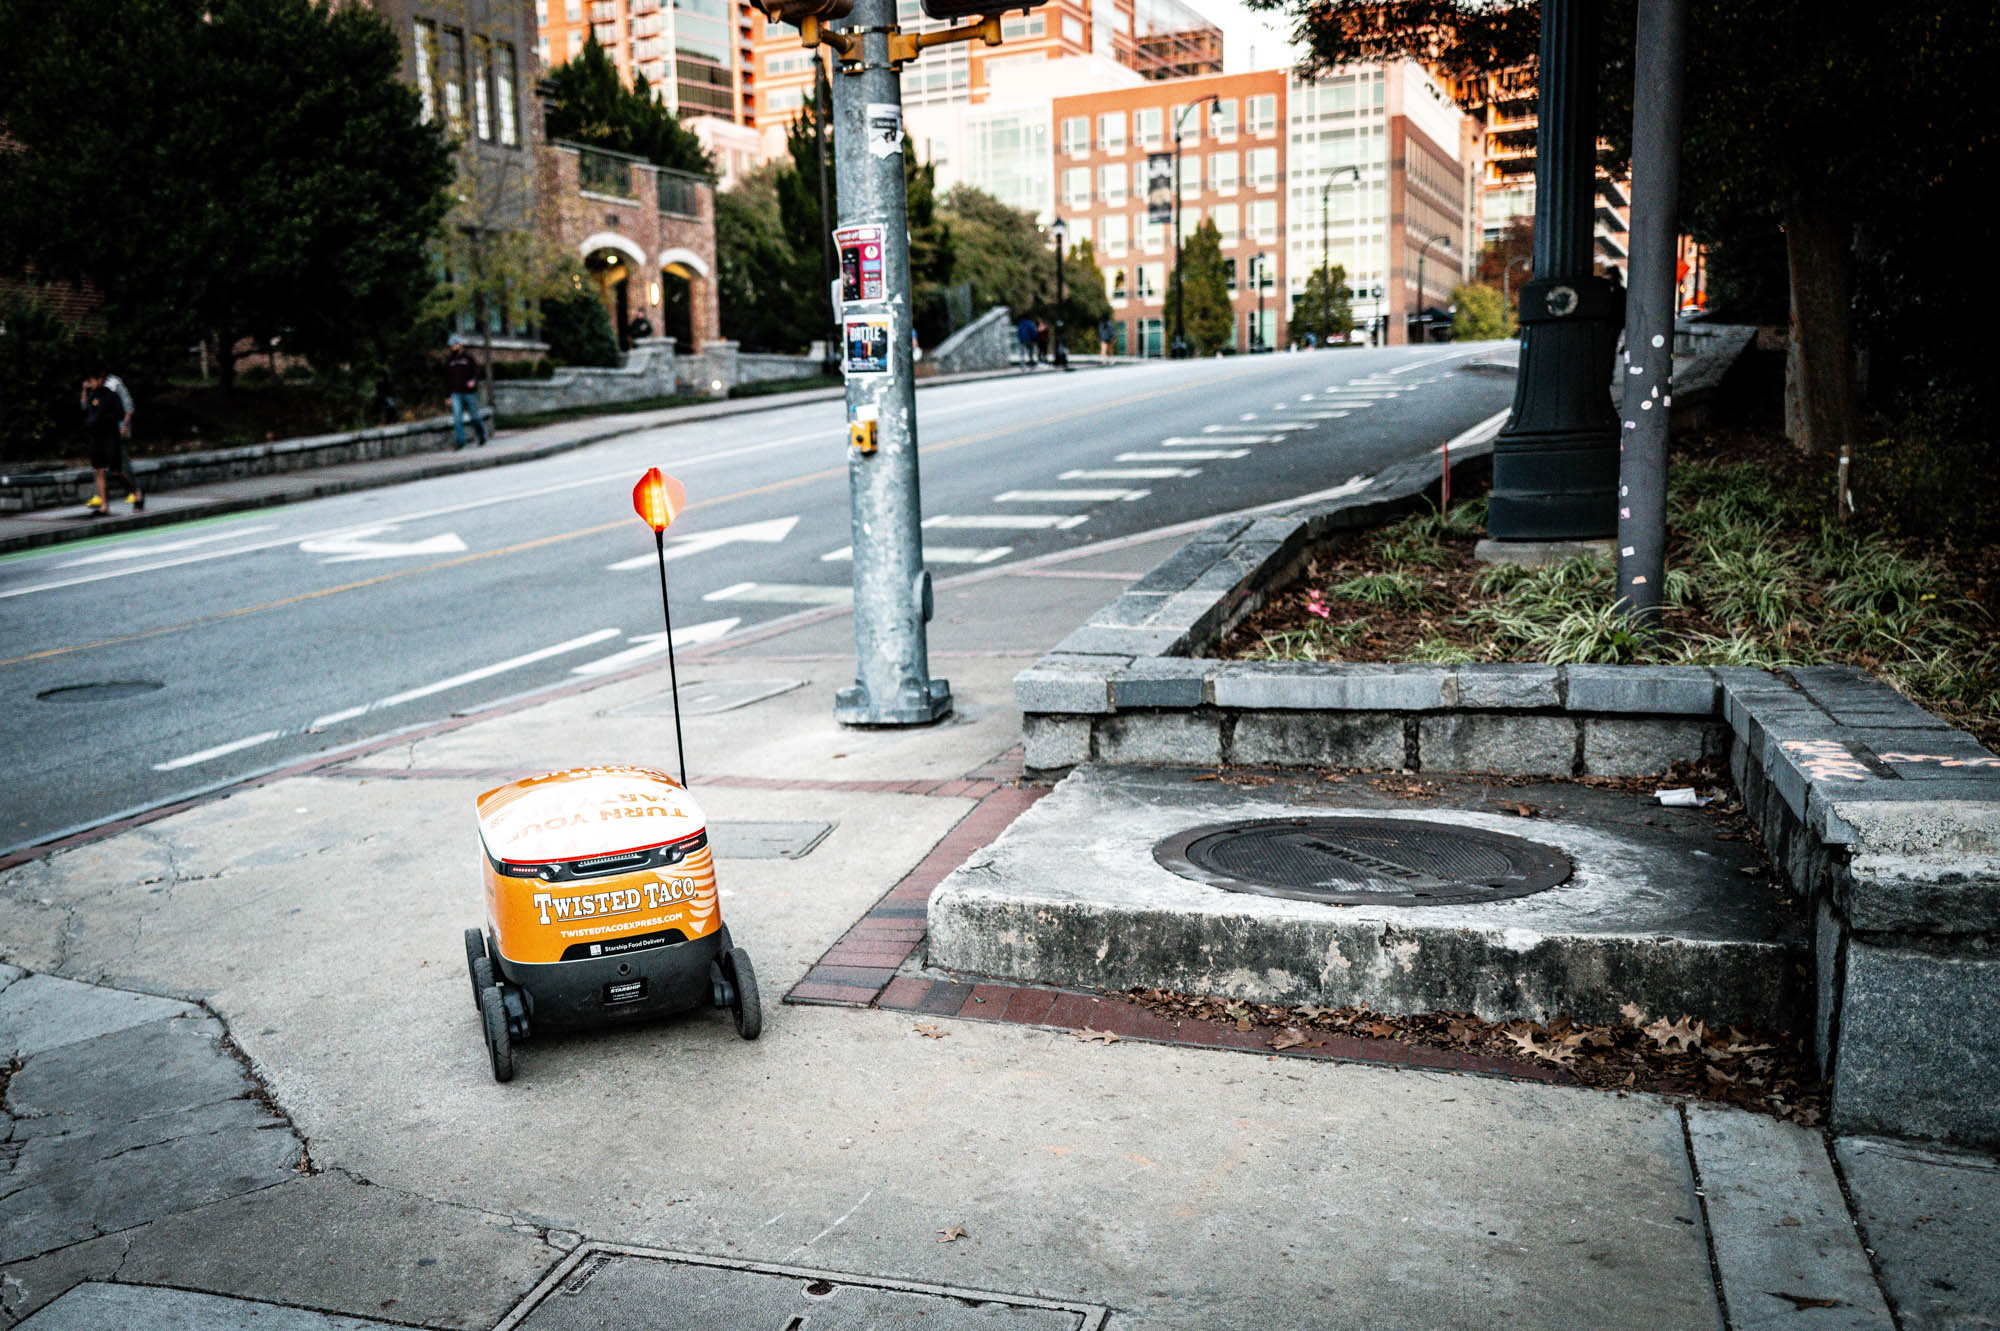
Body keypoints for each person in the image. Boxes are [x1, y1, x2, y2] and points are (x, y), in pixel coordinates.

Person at [80, 372, 142, 515]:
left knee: (117, 470)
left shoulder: (112, 390)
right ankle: (104, 504)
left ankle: (135, 492)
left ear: (101, 379)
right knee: (99, 470)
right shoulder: (92, 394)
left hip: (111, 435)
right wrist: (85, 389)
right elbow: (84, 407)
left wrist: (124, 426)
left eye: (93, 379)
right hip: (96, 437)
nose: (91, 382)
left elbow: (125, 409)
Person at [443, 334, 486, 449]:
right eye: (452, 345)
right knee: (457, 419)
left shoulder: (468, 357)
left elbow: (477, 372)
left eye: (455, 345)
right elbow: (446, 379)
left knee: (475, 417)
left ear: (460, 345)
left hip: (469, 393)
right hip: (455, 393)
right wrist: (447, 396)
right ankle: (460, 442)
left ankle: (481, 435)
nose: (453, 347)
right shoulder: (449, 361)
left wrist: (473, 381)